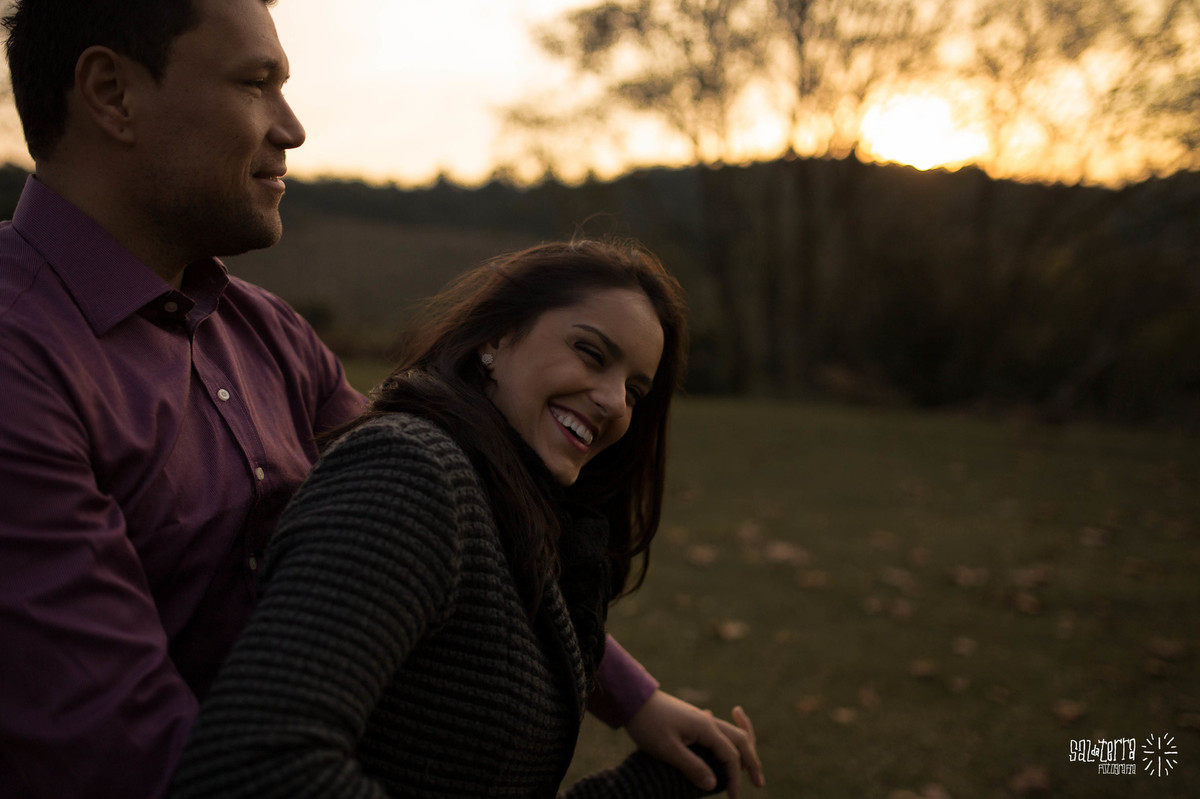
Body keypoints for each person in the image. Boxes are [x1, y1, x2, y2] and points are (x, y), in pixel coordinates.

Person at [0, 1, 763, 797]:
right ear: (111, 94)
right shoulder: (19, 361)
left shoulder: (266, 334)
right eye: (256, 83)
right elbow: (124, 751)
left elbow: (460, 515)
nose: (291, 128)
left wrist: (633, 696)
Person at [170, 240, 751, 798]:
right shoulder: (410, 474)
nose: (612, 401)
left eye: (635, 390)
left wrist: (661, 782)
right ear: (497, 337)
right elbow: (256, 763)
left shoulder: (517, 516)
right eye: (591, 353)